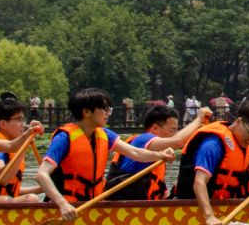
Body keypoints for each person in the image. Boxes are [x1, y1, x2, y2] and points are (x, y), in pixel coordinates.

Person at [40, 87, 171, 208]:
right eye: (104, 109)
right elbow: (41, 175)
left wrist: (160, 155)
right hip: (67, 207)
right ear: (86, 112)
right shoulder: (64, 138)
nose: (108, 113)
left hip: (94, 205)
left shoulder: (105, 134)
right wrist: (62, 204)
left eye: (109, 109)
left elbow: (135, 153)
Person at [103, 102, 213, 201]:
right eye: (173, 130)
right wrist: (199, 118)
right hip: (128, 208)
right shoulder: (144, 139)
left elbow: (161, 191)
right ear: (155, 128)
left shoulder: (159, 155)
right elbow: (177, 141)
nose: (175, 134)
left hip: (147, 208)